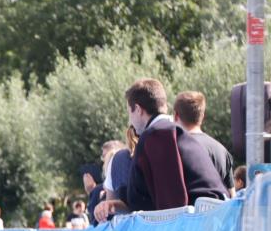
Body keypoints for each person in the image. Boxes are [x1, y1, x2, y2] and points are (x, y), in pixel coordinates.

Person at [95, 78, 227, 222]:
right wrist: (114, 205)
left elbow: (172, 203)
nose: (130, 121)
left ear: (138, 110)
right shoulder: (170, 131)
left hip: (202, 224)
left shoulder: (158, 135)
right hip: (209, 219)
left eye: (130, 113)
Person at [173, 91, 233, 193]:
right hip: (218, 208)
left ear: (176, 116)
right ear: (202, 116)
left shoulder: (174, 149)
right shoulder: (222, 150)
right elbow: (232, 196)